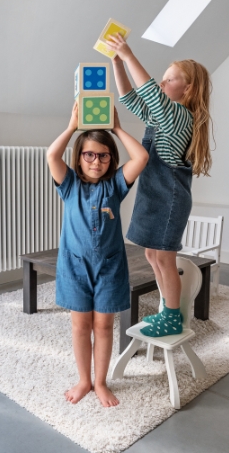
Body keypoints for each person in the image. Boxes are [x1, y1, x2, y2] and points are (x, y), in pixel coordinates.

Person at [105, 33, 212, 338]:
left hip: (169, 199)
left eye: (169, 79)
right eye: (162, 78)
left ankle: (173, 317)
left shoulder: (179, 116)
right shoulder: (161, 117)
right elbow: (130, 98)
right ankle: (167, 310)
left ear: (188, 88)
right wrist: (117, 63)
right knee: (152, 255)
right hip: (154, 195)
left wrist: (129, 55)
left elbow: (149, 92)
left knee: (164, 257)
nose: (162, 83)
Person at [46, 102, 148, 407]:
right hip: (74, 268)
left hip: (110, 268)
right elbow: (52, 155)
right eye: (89, 154)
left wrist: (117, 128)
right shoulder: (69, 185)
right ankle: (84, 380)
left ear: (111, 158)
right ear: (79, 157)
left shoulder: (116, 185)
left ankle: (100, 382)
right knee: (81, 327)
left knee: (103, 327)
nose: (96, 161)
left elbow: (141, 157)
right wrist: (71, 127)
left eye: (103, 155)